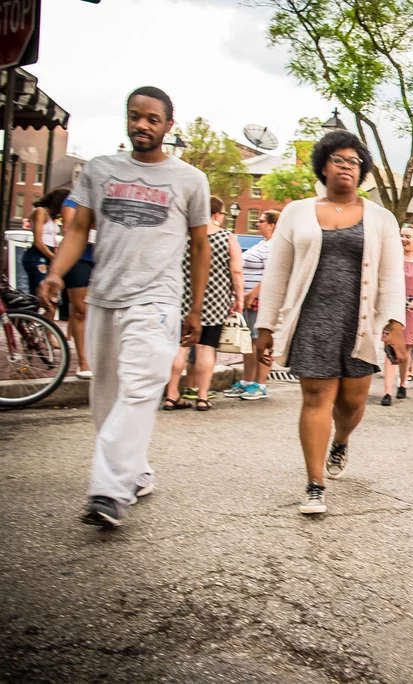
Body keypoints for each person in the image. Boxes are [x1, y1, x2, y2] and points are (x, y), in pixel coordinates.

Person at [38, 86, 211, 528]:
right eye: (136, 116)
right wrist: (57, 272)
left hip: (156, 300)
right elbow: (78, 231)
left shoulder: (189, 179)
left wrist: (195, 308)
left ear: (169, 126)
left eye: (153, 119)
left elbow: (199, 243)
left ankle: (109, 493)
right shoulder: (100, 169)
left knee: (139, 390)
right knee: (106, 398)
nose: (142, 125)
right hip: (105, 297)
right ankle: (135, 472)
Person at [254, 130, 407, 515]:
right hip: (313, 320)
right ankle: (314, 483)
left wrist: (396, 326)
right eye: (338, 159)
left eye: (353, 161)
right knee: (316, 396)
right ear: (323, 165)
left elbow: (391, 276)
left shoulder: (381, 218)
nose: (345, 167)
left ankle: (341, 439)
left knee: (352, 402)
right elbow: (277, 273)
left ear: (363, 170)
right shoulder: (296, 212)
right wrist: (265, 327)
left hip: (360, 323)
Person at [162, 197, 244, 411]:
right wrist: (239, 297)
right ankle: (202, 396)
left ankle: (171, 394)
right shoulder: (227, 237)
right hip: (215, 301)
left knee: (180, 348)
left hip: (183, 299)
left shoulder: (184, 236)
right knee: (207, 348)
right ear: (216, 214)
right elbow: (236, 270)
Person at [224, 210, 280, 400]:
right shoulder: (261, 243)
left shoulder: (275, 246)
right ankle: (247, 381)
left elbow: (273, 275)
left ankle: (261, 384)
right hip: (248, 300)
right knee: (248, 344)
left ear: (272, 224)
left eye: (261, 221)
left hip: (261, 300)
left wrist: (252, 294)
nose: (257, 223)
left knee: (261, 343)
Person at [381, 225, 413, 406]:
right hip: (392, 310)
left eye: (408, 236)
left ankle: (402, 383)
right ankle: (387, 392)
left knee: (406, 350)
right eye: (401, 235)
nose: (404, 239)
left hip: (411, 310)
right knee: (390, 349)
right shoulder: (392, 259)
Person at [57, 197, 96, 379]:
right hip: (79, 258)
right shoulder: (73, 201)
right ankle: (83, 361)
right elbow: (70, 229)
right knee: (81, 310)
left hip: (106, 257)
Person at [23, 189, 67, 320]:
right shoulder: (40, 212)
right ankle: (34, 329)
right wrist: (54, 257)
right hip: (38, 258)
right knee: (43, 298)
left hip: (48, 256)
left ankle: (44, 330)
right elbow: (38, 241)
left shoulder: (52, 217)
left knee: (53, 299)